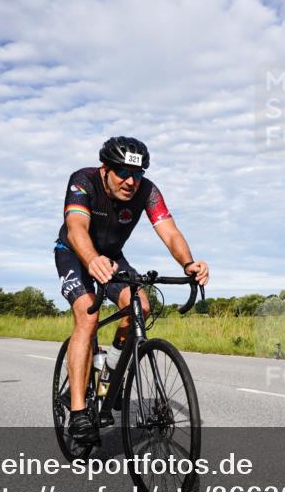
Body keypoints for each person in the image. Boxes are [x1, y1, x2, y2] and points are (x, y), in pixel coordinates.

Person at [55, 136, 209, 445]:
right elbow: (76, 228)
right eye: (123, 173)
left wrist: (188, 263)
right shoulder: (82, 181)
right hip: (75, 252)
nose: (130, 181)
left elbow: (170, 231)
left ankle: (108, 375)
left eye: (137, 174)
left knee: (142, 306)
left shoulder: (148, 192)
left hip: (112, 257)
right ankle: (78, 411)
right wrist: (91, 259)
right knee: (88, 315)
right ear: (105, 169)